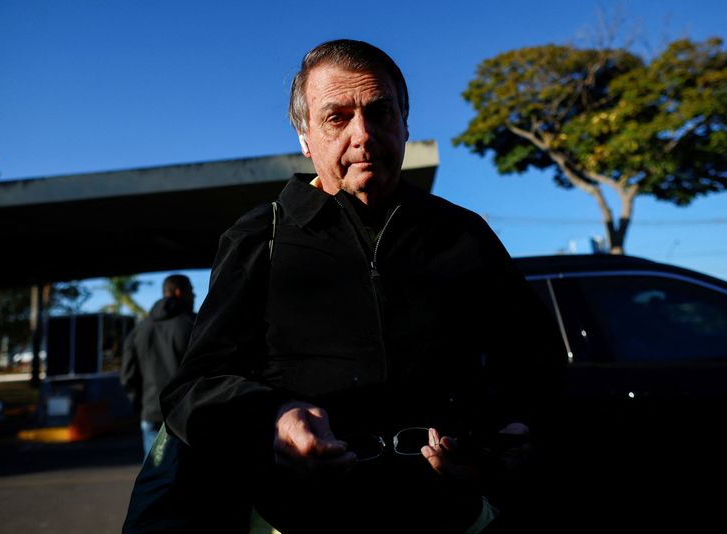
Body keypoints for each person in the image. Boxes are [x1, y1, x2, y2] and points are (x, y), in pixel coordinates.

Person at [160, 39, 566, 533]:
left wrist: (513, 436)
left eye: (380, 112)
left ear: (405, 123)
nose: (364, 135)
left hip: (450, 516)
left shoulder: (463, 234)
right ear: (305, 136)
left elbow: (535, 364)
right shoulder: (257, 239)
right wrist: (275, 420)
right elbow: (194, 388)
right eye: (337, 117)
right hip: (301, 519)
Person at [121, 274, 196, 458]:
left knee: (156, 477)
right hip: (188, 415)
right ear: (179, 292)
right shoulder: (194, 325)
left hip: (151, 414)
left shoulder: (140, 329)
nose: (194, 297)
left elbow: (128, 376)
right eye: (191, 292)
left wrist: (142, 406)